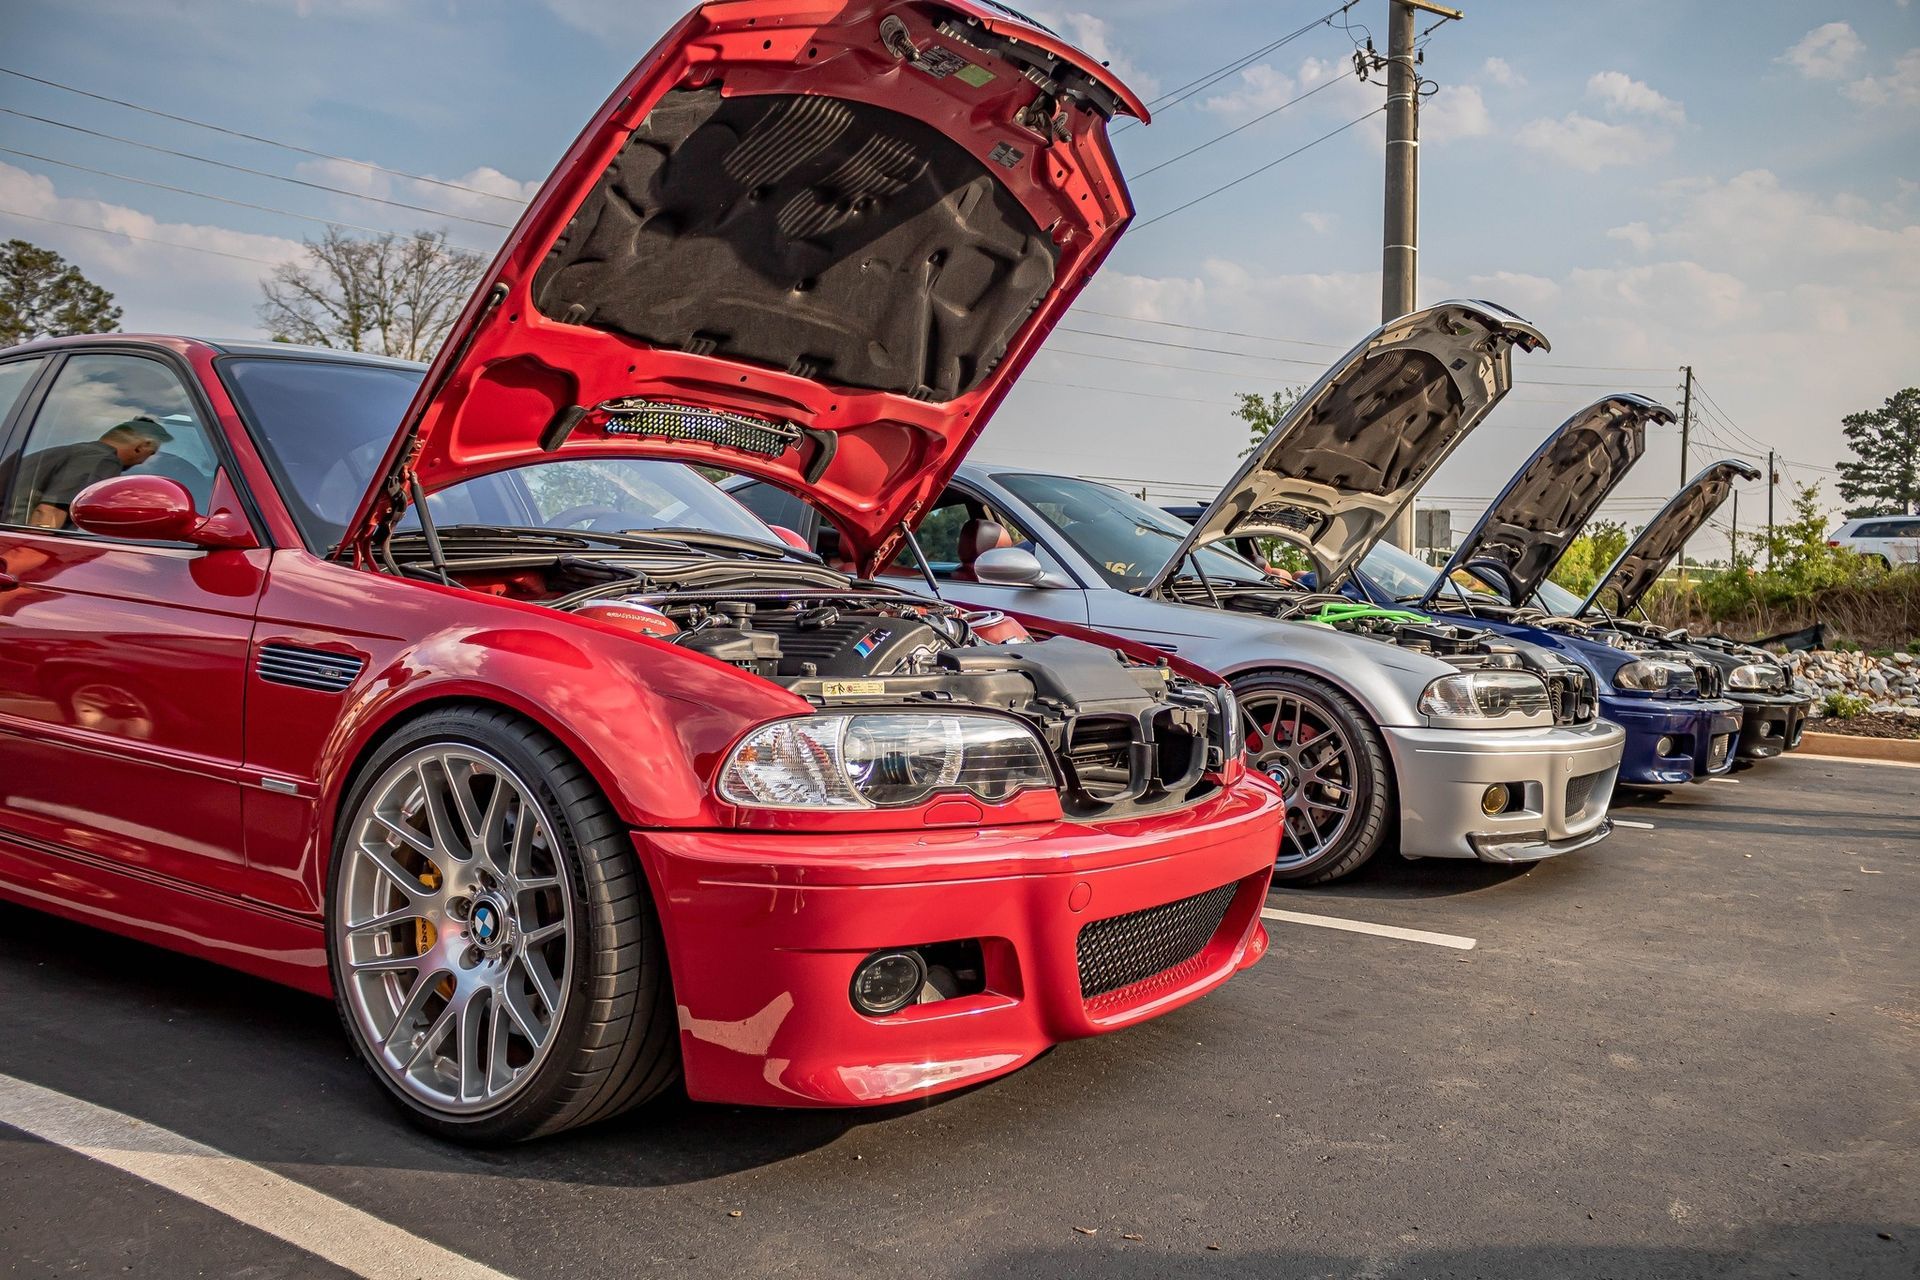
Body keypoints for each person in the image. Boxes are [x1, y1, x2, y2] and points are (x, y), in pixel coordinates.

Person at [3, 416, 174, 529]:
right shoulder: (102, 461)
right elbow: (47, 515)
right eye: (150, 454)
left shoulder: (61, 454)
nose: (144, 461)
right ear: (141, 446)